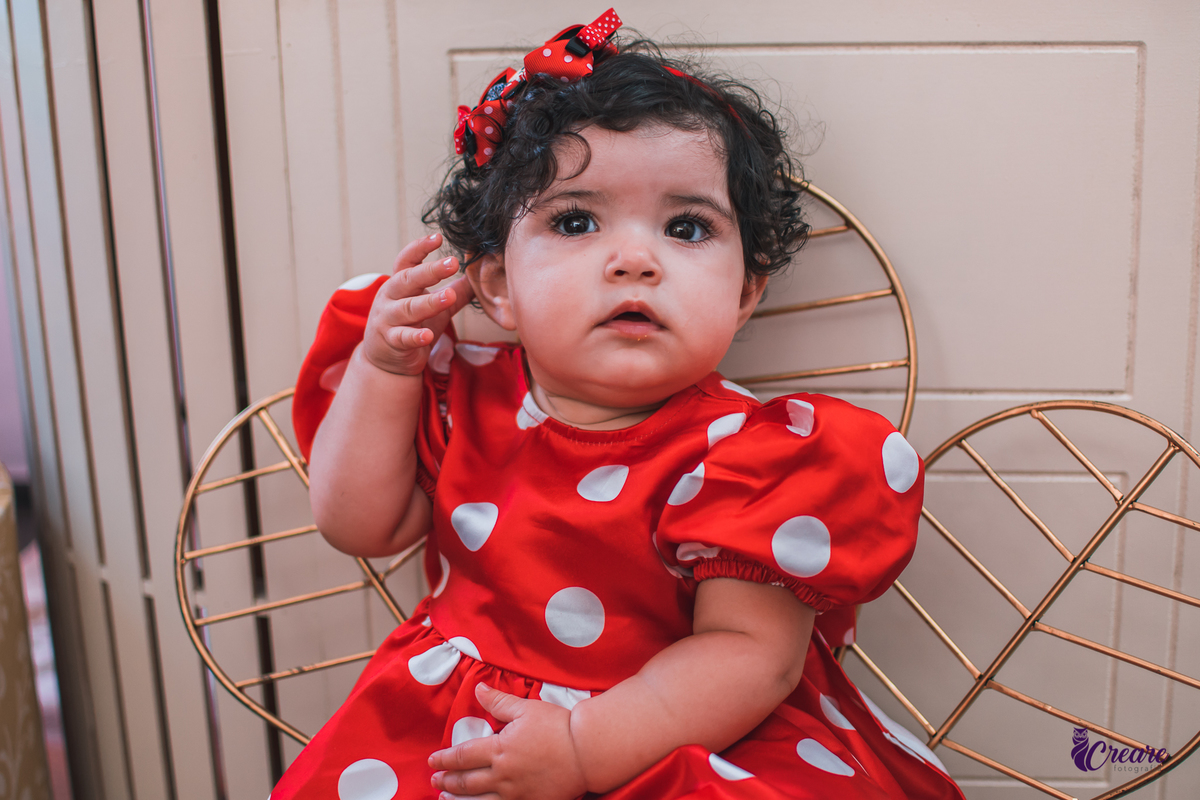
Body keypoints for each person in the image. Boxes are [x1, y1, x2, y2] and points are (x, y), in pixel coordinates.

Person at [272, 10, 964, 800]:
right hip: (465, 719)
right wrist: (385, 368)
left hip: (681, 731)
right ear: (497, 286)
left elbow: (752, 657)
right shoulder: (459, 397)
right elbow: (359, 527)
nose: (635, 260)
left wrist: (581, 748)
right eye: (576, 221)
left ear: (743, 293)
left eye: (686, 227)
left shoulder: (754, 458)